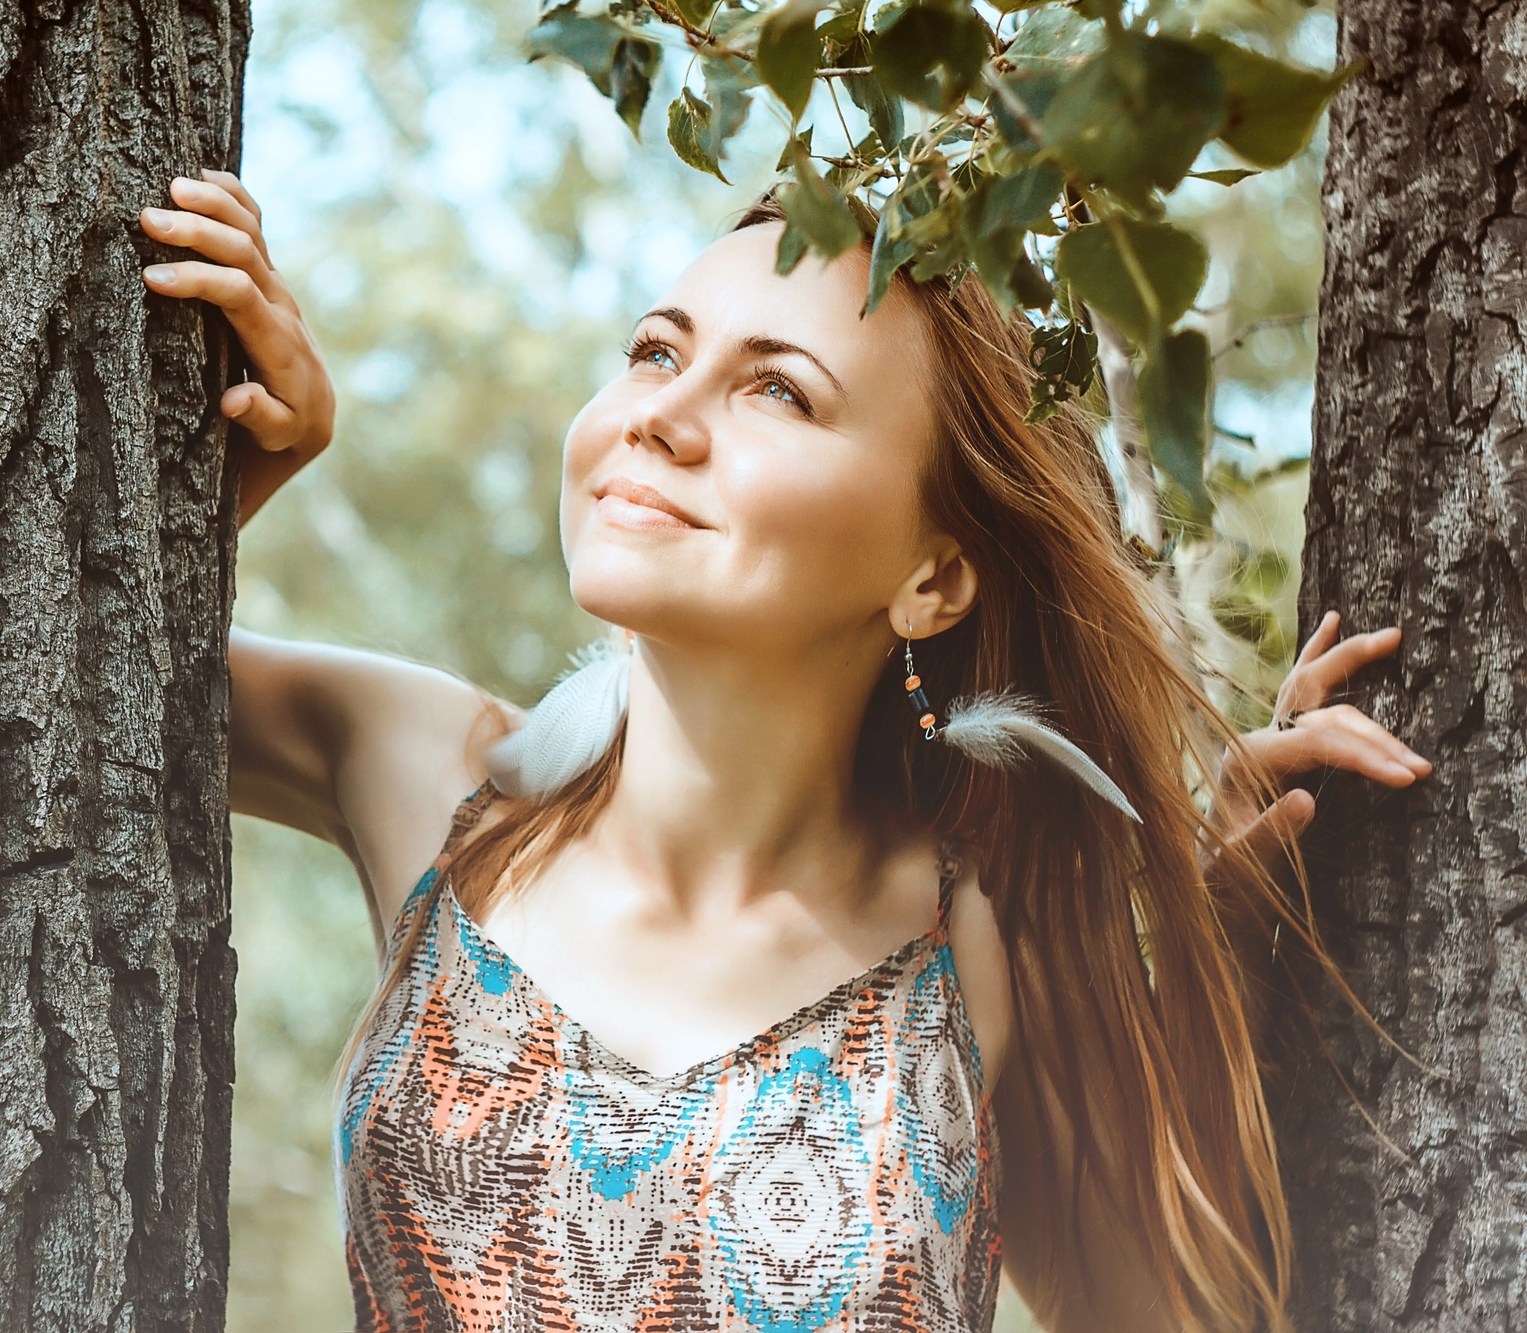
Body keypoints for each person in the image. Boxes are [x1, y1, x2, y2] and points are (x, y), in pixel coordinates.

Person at [136, 169, 1431, 1333]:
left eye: (777, 389)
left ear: (933, 577)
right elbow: (62, 689)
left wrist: (1217, 952)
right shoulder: (437, 784)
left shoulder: (988, 940)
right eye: (655, 350)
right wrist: (253, 470)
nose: (663, 414)